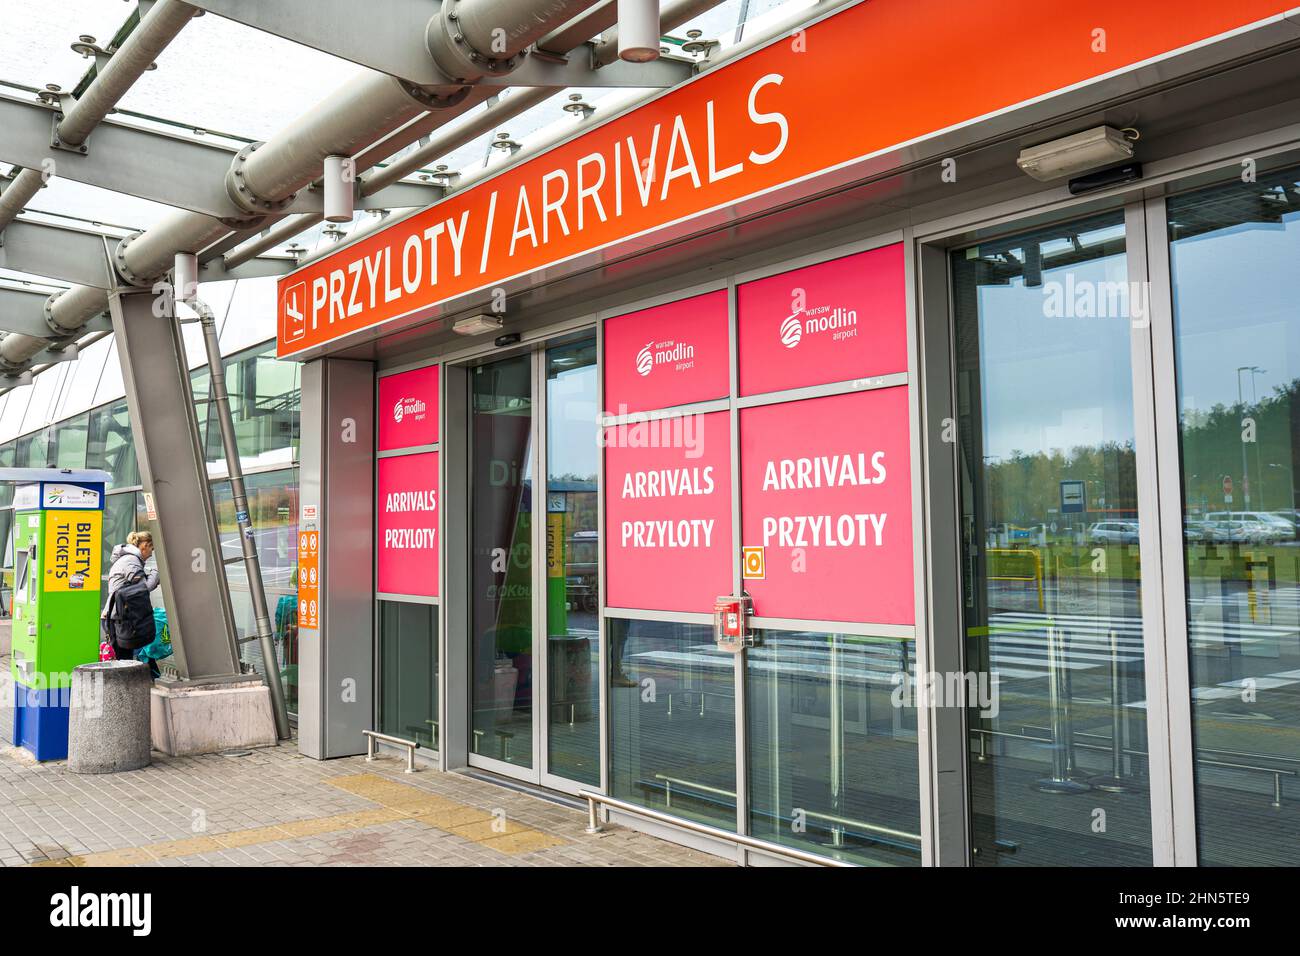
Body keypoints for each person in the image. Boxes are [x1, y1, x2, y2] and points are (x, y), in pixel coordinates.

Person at [101, 531, 161, 665]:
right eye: (152, 548)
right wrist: (157, 573)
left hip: (117, 617)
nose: (151, 553)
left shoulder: (130, 559)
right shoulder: (131, 561)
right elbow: (142, 588)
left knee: (124, 659)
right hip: (117, 618)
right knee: (122, 662)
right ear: (145, 545)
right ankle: (123, 685)